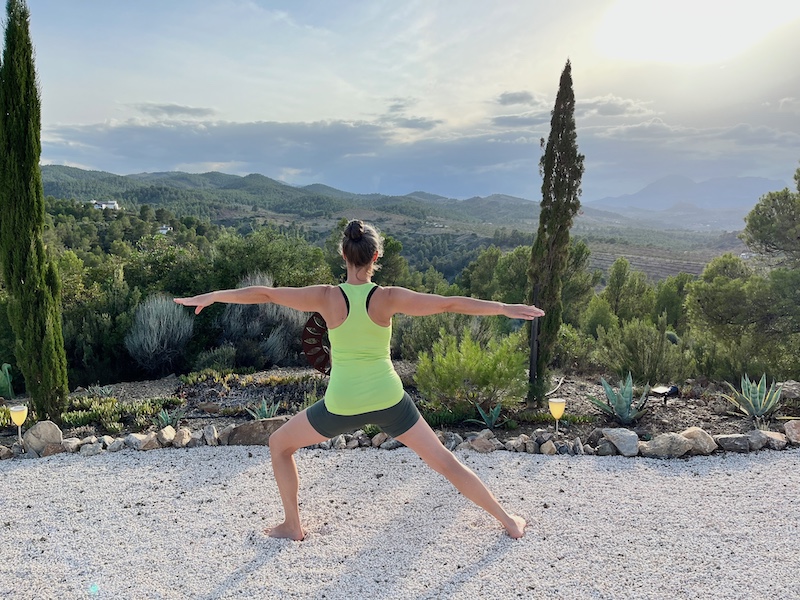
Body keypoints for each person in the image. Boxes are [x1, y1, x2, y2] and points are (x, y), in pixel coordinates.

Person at [174, 219, 544, 541]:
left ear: (344, 256)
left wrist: (214, 296)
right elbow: (447, 303)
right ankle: (509, 522)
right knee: (445, 462)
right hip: (389, 400)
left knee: (280, 445)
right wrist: (504, 308)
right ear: (375, 257)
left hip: (342, 404)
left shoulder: (325, 296)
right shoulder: (388, 298)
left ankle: (292, 524)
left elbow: (266, 293)